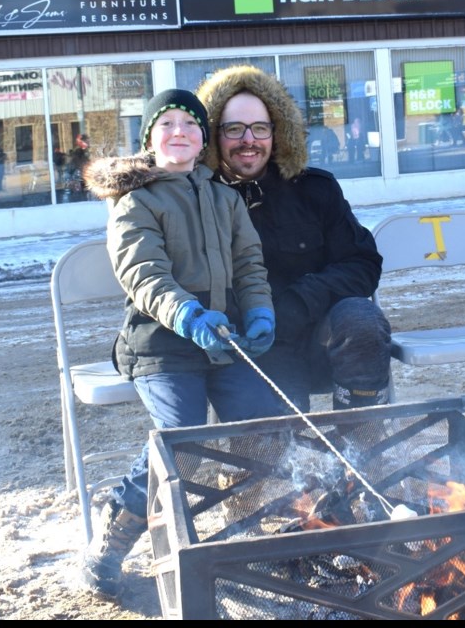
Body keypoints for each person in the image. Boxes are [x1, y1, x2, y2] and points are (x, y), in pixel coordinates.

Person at [79, 89, 285, 600]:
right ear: (150, 137)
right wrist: (186, 314)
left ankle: (242, 527)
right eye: (166, 123)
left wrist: (260, 310)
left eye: (190, 124)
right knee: (182, 438)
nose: (179, 131)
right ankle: (108, 545)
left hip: (223, 339)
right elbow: (142, 274)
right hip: (162, 343)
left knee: (265, 420)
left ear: (202, 139)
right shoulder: (137, 200)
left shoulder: (225, 196)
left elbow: (249, 267)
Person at [195, 65, 392, 415]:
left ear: (278, 132)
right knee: (284, 462)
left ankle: (363, 442)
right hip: (250, 351)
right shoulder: (198, 200)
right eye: (234, 129)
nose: (249, 140)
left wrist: (302, 300)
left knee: (362, 318)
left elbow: (362, 264)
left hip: (322, 335)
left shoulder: (315, 188)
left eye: (260, 128)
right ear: (213, 134)